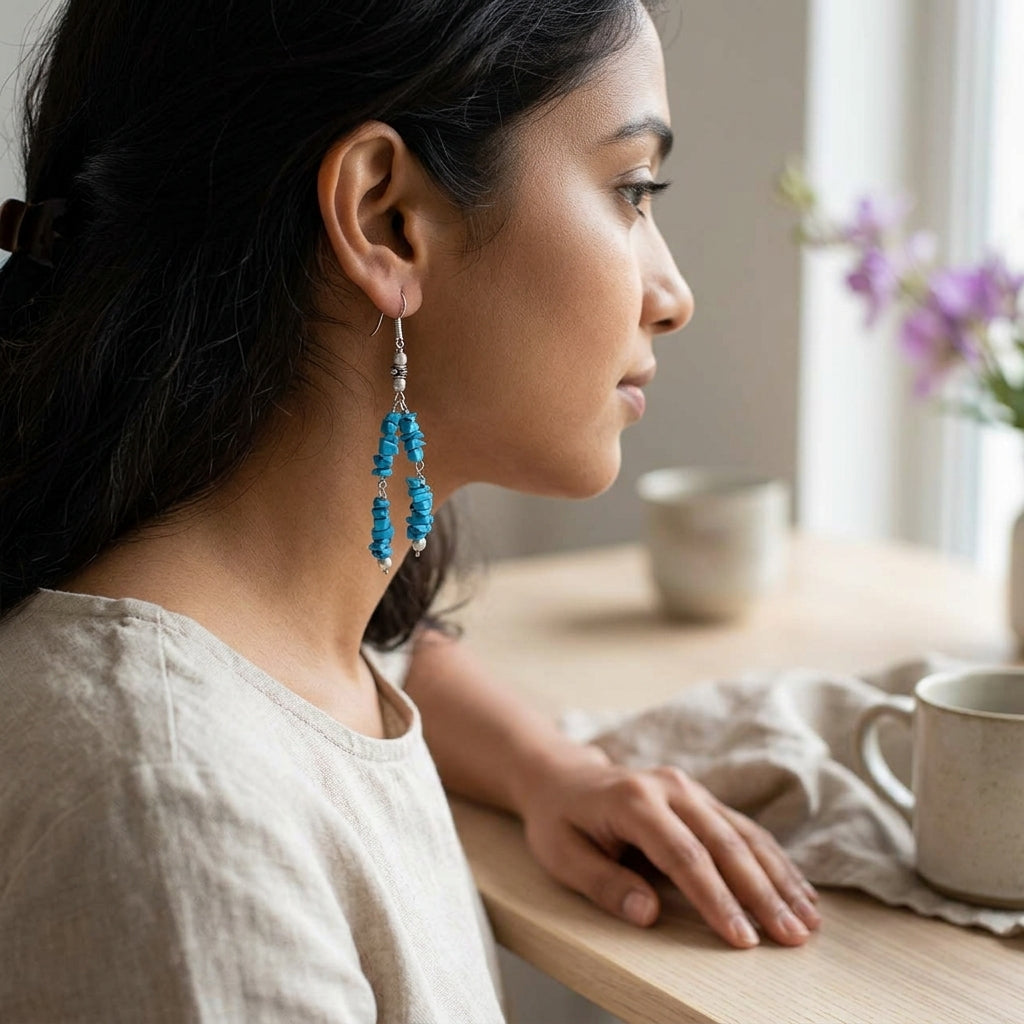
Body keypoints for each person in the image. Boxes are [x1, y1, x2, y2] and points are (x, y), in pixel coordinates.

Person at [0, 0, 821, 1020]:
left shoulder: (274, 618)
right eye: (632, 190)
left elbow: (401, 648)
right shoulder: (174, 815)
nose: (671, 291)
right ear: (386, 218)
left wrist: (549, 772)